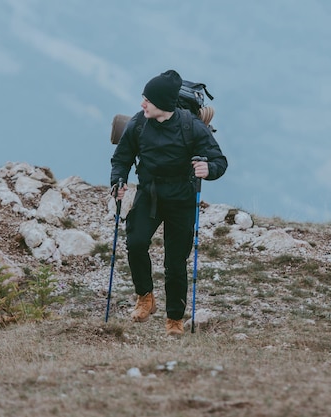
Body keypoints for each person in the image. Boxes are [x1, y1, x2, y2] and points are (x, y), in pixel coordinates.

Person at [109, 69, 228, 336]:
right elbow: (122, 157)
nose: (142, 105)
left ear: (162, 104)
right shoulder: (139, 124)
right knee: (136, 243)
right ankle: (145, 297)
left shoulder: (192, 127)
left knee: (175, 263)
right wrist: (118, 180)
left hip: (181, 200)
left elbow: (220, 161)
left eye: (147, 100)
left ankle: (174, 318)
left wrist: (208, 169)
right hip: (148, 195)